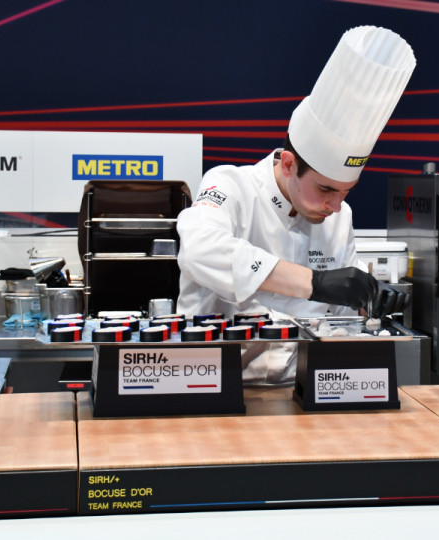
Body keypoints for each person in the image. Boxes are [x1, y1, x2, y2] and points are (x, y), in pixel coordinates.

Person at [176, 26, 416, 384]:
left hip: (300, 388)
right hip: (214, 385)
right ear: (288, 164)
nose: (335, 206)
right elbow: (198, 250)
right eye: (325, 189)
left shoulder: (339, 217)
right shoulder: (230, 185)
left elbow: (341, 315)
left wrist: (370, 301)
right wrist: (314, 282)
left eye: (347, 191)